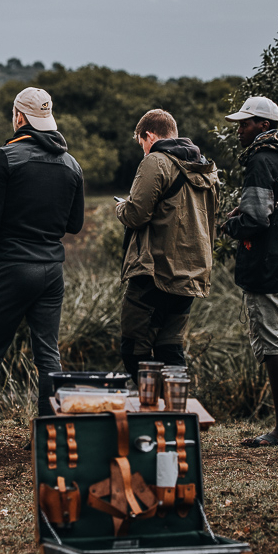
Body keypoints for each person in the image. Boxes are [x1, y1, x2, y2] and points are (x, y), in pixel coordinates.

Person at [0, 86, 84, 441]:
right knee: (48, 354)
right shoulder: (71, 163)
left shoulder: (6, 157)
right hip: (52, 271)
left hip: (13, 267)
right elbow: (75, 225)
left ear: (19, 117)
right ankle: (49, 431)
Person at [221, 96, 278, 446]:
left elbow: (257, 219)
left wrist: (232, 224)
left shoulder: (260, 160)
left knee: (274, 341)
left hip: (268, 265)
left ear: (264, 125)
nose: (240, 129)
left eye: (245, 123)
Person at [116, 109, 219, 383]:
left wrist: (121, 208)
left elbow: (136, 214)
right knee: (169, 348)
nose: (143, 151)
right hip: (191, 272)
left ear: (149, 135)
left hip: (155, 272)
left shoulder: (156, 161)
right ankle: (174, 416)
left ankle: (149, 412)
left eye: (142, 144)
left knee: (134, 347)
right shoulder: (207, 167)